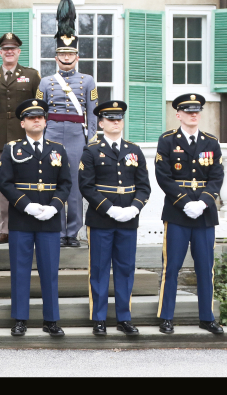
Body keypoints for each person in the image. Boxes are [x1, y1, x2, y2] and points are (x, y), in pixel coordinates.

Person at [0, 99, 71, 338]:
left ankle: (51, 320)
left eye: (40, 117)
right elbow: (5, 183)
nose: (36, 120)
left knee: (49, 271)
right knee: (20, 270)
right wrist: (26, 205)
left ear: (46, 121)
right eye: (31, 117)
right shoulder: (11, 149)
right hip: (22, 218)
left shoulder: (58, 149)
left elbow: (65, 183)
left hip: (49, 218)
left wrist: (55, 207)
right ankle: (20, 319)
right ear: (23, 123)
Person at [78, 100, 150, 336]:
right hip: (101, 219)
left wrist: (134, 208)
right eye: (110, 118)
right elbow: (86, 186)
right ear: (101, 123)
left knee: (126, 268)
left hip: (129, 218)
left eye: (119, 118)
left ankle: (124, 317)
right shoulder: (91, 151)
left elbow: (144, 186)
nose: (116, 122)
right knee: (99, 269)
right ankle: (99, 318)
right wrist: (109, 208)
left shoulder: (134, 150)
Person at [155, 94, 224, 335]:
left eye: (196, 110)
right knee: (171, 266)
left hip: (204, 213)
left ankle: (206, 317)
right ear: (178, 114)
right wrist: (184, 202)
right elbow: (163, 176)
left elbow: (217, 176)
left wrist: (204, 202)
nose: (193, 114)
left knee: (205, 267)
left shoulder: (211, 142)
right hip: (177, 211)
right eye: (187, 111)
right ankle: (166, 316)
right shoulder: (167, 141)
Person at [36, 0, 97, 248]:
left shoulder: (88, 80)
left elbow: (92, 112)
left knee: (72, 184)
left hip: (75, 134)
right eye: (62, 52)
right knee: (52, 182)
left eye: (70, 52)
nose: (66, 57)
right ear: (55, 55)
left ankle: (72, 232)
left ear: (77, 55)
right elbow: (39, 112)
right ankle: (56, 230)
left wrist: (91, 138)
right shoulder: (45, 82)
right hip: (51, 132)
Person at [0, 32, 41, 245]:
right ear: (1, 52)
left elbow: (39, 110)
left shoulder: (31, 76)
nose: (9, 51)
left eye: (13, 48)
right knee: (5, 185)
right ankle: (5, 229)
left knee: (28, 182)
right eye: (5, 48)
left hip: (26, 139)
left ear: (19, 51)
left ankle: (28, 225)